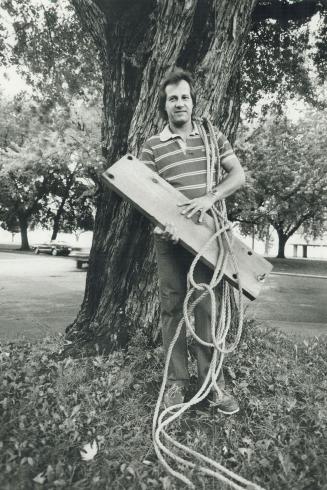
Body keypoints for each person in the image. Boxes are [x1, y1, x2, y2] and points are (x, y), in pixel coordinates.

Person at [141, 68, 245, 415]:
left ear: (192, 102)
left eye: (185, 97)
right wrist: (163, 221)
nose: (180, 103)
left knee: (206, 307)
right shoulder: (152, 146)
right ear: (164, 105)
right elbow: (142, 192)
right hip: (168, 242)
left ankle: (210, 382)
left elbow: (238, 175)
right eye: (173, 98)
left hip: (206, 239)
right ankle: (176, 382)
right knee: (171, 308)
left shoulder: (212, 138)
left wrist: (209, 198)